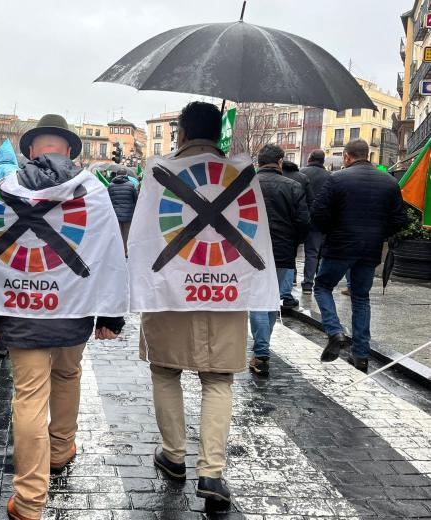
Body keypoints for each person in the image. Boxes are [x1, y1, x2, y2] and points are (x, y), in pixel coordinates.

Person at [0, 114, 125, 520]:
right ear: (70, 150)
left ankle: (29, 500)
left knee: (29, 397)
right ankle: (60, 449)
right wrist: (110, 315)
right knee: (68, 377)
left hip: (19, 311)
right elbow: (109, 252)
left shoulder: (5, 188)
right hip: (73, 309)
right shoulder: (92, 190)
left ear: (32, 149)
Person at [141, 102, 248, 509]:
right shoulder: (241, 175)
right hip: (225, 290)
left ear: (181, 133)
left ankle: (173, 456)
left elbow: (144, 235)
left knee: (165, 370)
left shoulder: (158, 172)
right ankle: (212, 473)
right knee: (218, 379)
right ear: (218, 132)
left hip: (171, 291)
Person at [313, 139, 407, 372]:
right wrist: (378, 234)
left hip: (340, 246)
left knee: (322, 286)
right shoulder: (389, 182)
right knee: (361, 298)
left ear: (346, 157)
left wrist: (331, 231)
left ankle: (335, 331)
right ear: (368, 156)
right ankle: (361, 355)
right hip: (370, 249)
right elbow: (400, 220)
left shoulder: (336, 179)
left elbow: (318, 213)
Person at [249, 145, 309, 375]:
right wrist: (294, 242)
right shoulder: (293, 186)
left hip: (252, 252)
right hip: (284, 252)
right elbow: (304, 221)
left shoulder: (247, 185)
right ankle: (262, 348)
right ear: (280, 162)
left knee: (257, 301)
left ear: (259, 162)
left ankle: (261, 352)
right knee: (272, 301)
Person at [279, 160, 314, 307]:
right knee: (289, 260)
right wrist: (300, 235)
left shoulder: (259, 179)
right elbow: (308, 204)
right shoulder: (301, 179)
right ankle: (286, 293)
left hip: (266, 230)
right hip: (290, 229)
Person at [300, 150, 331, 294]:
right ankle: (308, 284)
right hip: (319, 220)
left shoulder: (301, 173)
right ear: (323, 161)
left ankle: (291, 278)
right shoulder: (330, 177)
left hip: (299, 217)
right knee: (313, 252)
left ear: (310, 158)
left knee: (292, 249)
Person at [107, 171, 138, 254]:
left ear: (116, 175)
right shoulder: (131, 185)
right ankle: (126, 251)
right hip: (128, 214)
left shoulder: (110, 186)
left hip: (115, 214)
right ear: (126, 175)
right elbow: (136, 199)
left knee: (117, 234)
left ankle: (117, 253)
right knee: (126, 234)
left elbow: (107, 200)